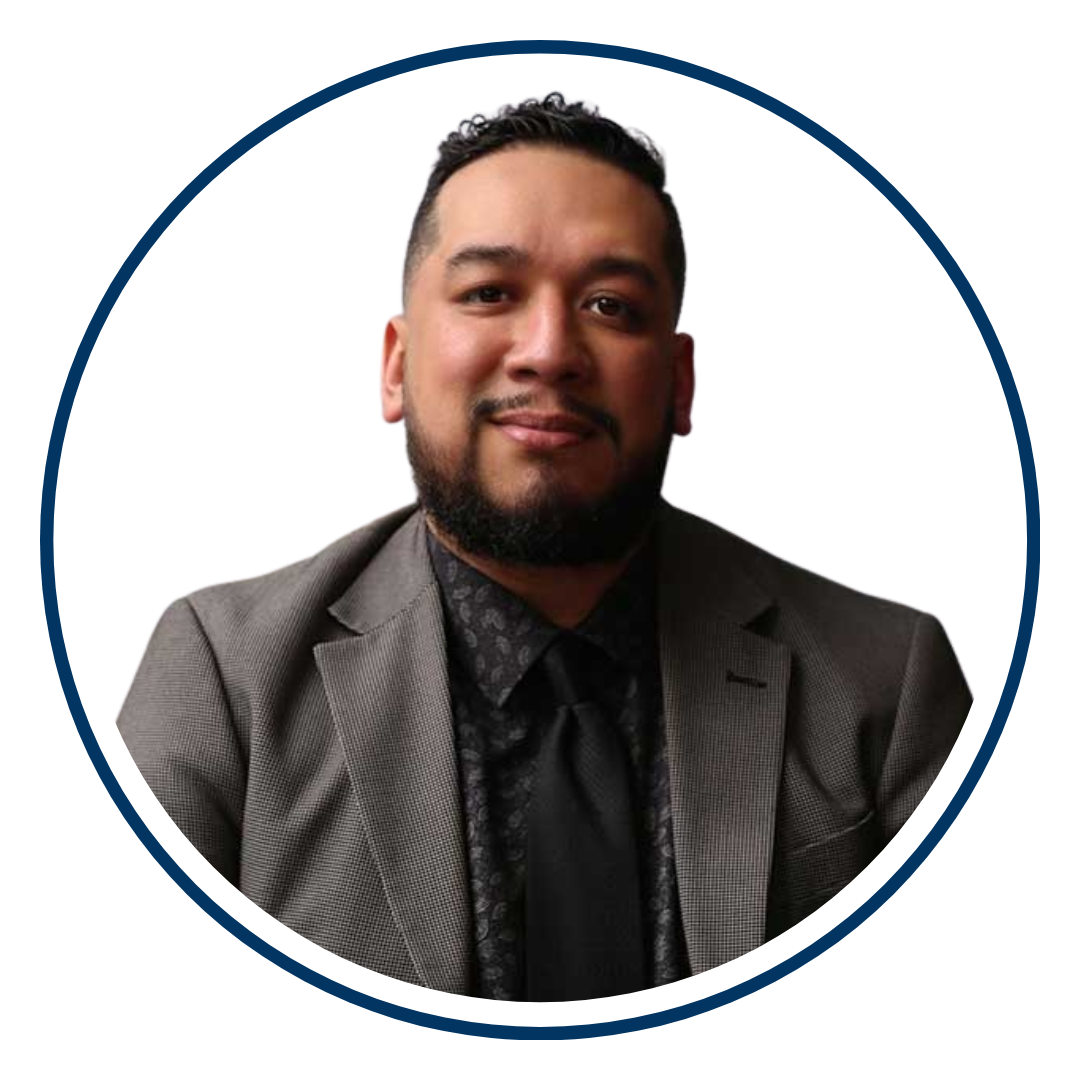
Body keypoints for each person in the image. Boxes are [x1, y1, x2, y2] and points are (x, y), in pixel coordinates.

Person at [118, 93, 971, 1002]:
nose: (550, 350)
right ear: (397, 366)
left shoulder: (886, 683)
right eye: (490, 293)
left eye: (611, 304)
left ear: (678, 384)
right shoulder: (225, 681)